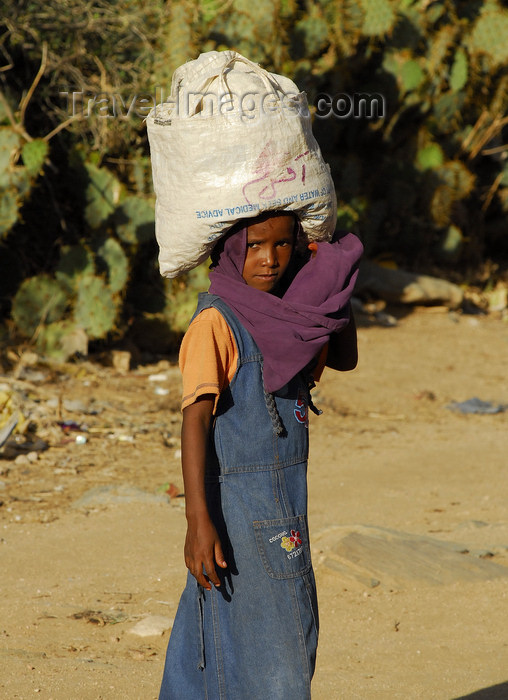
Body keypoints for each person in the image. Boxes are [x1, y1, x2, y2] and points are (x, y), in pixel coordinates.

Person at [158, 210, 362, 699]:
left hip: (285, 516)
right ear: (229, 250)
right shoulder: (216, 323)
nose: (269, 260)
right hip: (231, 516)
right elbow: (195, 420)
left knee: (285, 634)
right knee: (262, 647)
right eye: (254, 246)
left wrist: (330, 278)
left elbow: (346, 355)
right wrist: (197, 521)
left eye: (283, 245)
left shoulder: (289, 321)